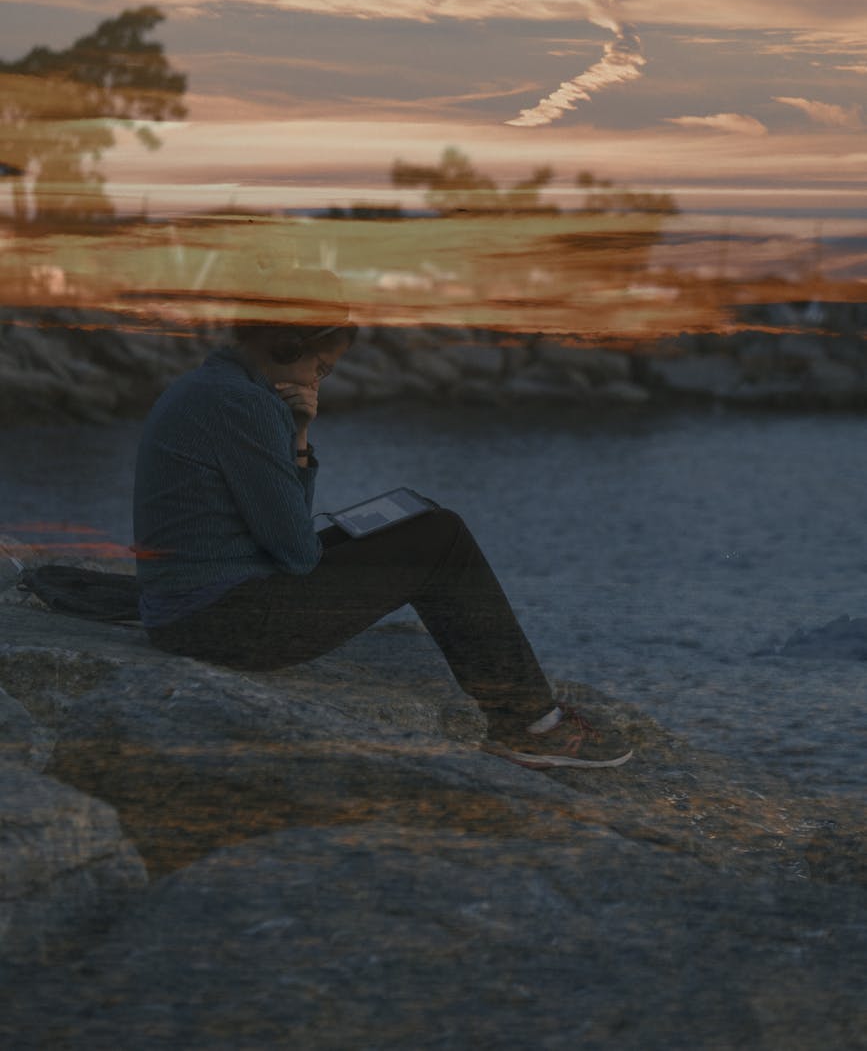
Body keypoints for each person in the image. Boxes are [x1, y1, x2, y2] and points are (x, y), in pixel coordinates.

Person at [133, 278, 632, 770]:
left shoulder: (211, 385)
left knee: (423, 528)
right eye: (320, 368)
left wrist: (299, 437)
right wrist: (291, 437)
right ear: (287, 345)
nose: (315, 383)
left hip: (196, 611)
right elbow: (298, 553)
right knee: (440, 538)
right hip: (219, 625)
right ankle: (526, 724)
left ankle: (526, 717)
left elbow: (285, 531)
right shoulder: (245, 404)